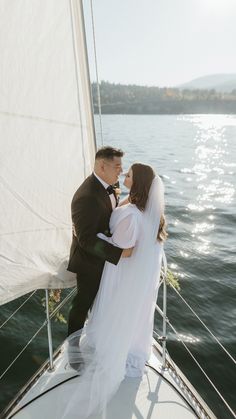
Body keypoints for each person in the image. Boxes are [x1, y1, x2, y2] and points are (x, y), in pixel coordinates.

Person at [62, 163, 167, 419]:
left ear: (138, 182)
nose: (123, 176)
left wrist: (92, 235)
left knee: (110, 306)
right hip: (126, 272)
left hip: (117, 271)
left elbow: (124, 248)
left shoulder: (132, 214)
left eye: (128, 174)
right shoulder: (141, 208)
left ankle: (111, 347)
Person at [67, 146, 133, 337]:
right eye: (117, 166)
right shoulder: (86, 196)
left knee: (102, 304)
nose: (121, 170)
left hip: (104, 260)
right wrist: (121, 253)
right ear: (103, 167)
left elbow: (107, 217)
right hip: (89, 263)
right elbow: (86, 240)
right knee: (82, 306)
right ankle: (74, 351)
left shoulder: (108, 186)